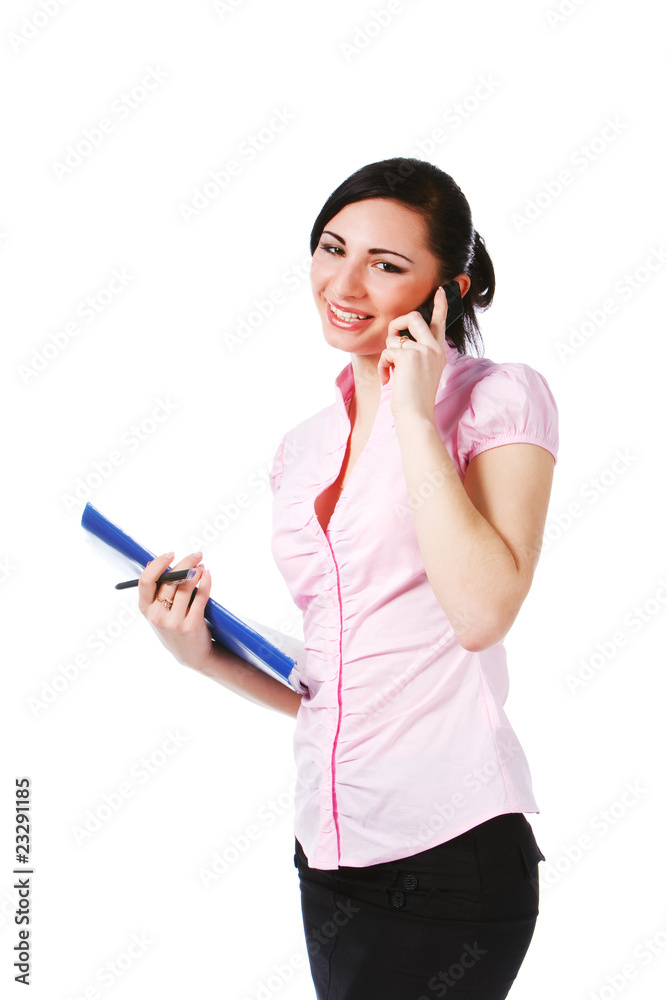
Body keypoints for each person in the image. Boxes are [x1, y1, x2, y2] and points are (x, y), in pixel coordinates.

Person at [138, 157, 559, 999]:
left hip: (450, 855)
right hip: (328, 851)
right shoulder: (302, 448)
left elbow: (481, 611)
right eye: (332, 248)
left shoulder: (499, 400)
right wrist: (201, 653)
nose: (346, 281)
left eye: (387, 264)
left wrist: (413, 411)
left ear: (452, 289)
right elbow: (341, 684)